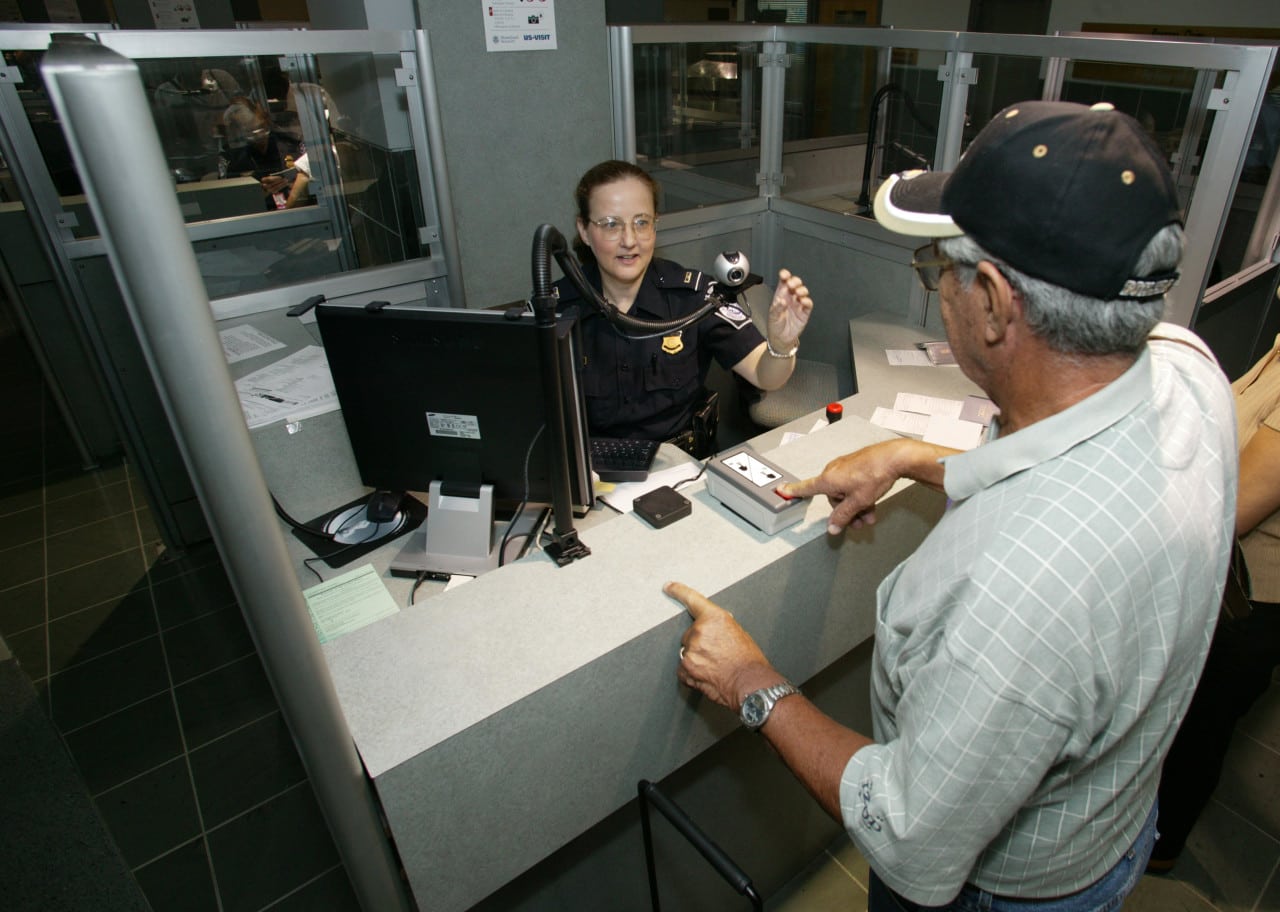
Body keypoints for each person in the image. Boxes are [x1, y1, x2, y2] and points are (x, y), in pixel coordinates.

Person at [666, 101, 1237, 911]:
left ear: (998, 303)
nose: (937, 289)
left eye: (939, 271)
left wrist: (750, 680)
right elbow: (1077, 468)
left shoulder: (1017, 590)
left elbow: (909, 833)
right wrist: (917, 459)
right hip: (1112, 829)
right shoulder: (1187, 368)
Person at [553, 160, 813, 455]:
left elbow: (766, 375)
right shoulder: (557, 306)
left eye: (641, 222)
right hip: (592, 474)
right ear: (584, 231)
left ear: (655, 225)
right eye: (611, 224)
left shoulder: (693, 297)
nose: (629, 240)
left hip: (677, 467)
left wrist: (781, 344)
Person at [1148, 329, 1280, 872]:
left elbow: (1232, 508)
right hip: (1223, 575)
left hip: (1248, 597)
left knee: (1201, 724)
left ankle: (1161, 846)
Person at [220, 96, 302, 209]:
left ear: (265, 119)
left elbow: (312, 177)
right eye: (250, 132)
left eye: (261, 128)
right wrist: (260, 192)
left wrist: (289, 183)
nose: (259, 136)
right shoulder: (234, 158)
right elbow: (229, 200)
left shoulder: (291, 143)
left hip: (298, 206)